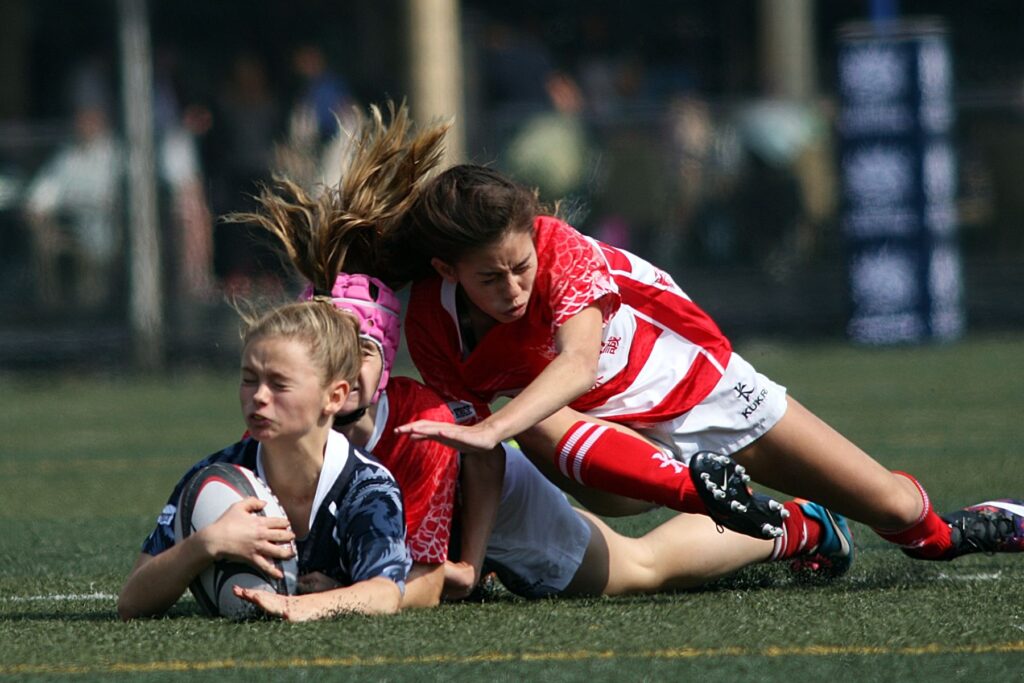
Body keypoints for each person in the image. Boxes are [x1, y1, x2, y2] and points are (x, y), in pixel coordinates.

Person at [234, 103, 854, 603]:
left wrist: (316, 599)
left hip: (495, 507)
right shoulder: (267, 440)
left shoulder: (413, 423)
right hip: (469, 516)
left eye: (365, 352)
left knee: (639, 566)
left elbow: (414, 587)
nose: (263, 397)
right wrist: (207, 547)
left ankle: (802, 526)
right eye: (259, 379)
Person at [387, 162, 1024, 562]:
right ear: (446, 271)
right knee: (531, 413)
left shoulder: (562, 247)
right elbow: (479, 451)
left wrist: (491, 427)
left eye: (519, 267)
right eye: (489, 279)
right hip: (609, 445)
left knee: (901, 515)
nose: (513, 289)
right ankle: (702, 490)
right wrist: (463, 564)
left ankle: (909, 530)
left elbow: (578, 362)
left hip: (702, 387)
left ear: (536, 238)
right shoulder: (431, 325)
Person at [117, 300, 411, 621]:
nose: (259, 396)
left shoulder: (366, 486)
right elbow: (132, 602)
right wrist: (207, 543)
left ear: (334, 396)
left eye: (279, 384)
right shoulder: (211, 478)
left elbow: (385, 592)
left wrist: (298, 606)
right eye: (249, 379)